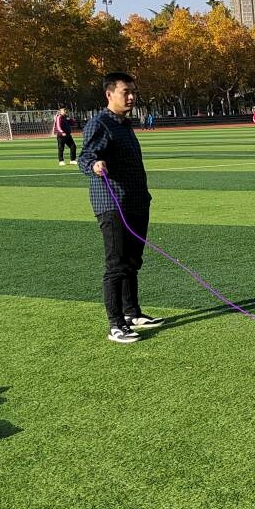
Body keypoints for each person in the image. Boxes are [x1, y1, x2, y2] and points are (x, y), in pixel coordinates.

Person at [77, 71, 164, 344]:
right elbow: (85, 156)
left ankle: (132, 313)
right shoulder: (100, 123)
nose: (131, 97)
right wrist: (94, 165)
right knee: (116, 264)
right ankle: (116, 324)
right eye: (126, 92)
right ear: (109, 94)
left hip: (136, 201)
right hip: (112, 203)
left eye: (133, 92)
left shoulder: (124, 124)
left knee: (132, 262)